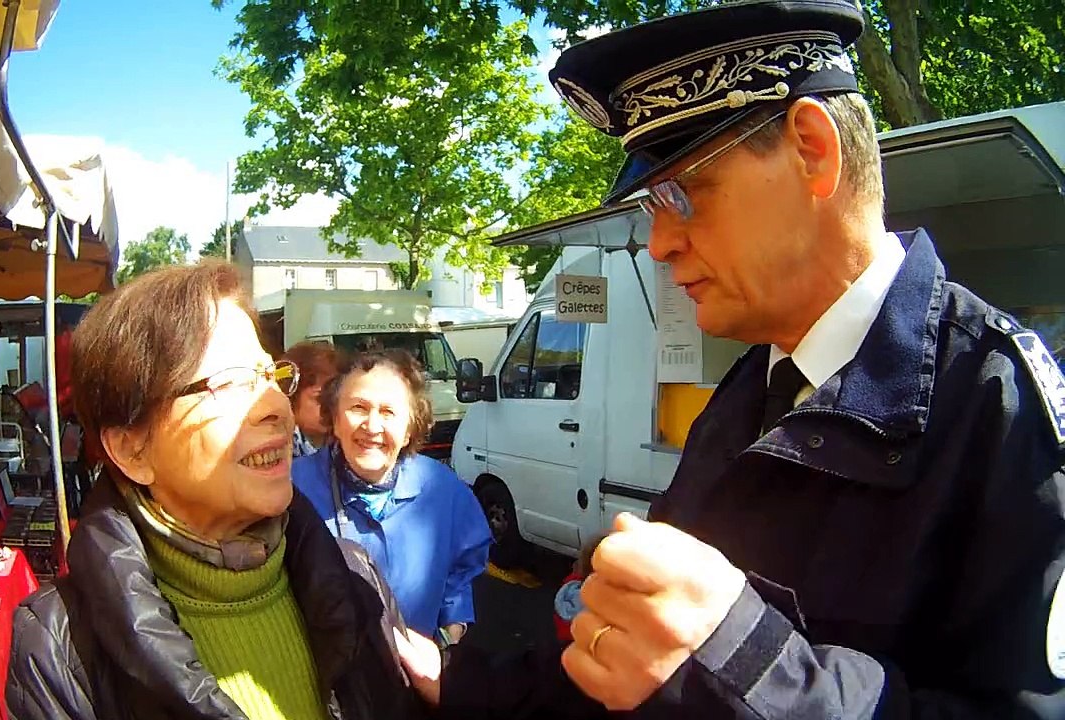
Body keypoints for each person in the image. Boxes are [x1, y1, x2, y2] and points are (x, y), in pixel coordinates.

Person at [393, 1, 1065, 717]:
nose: (659, 244)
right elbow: (642, 660)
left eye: (683, 193)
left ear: (812, 148)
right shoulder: (752, 386)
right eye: (653, 207)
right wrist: (468, 686)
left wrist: (740, 654)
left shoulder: (1003, 409)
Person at [7, 260, 428, 720]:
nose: (274, 407)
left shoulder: (354, 576)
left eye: (271, 376)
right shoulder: (60, 645)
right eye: (229, 383)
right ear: (132, 450)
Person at [292, 349, 492, 645]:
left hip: (417, 677)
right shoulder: (294, 489)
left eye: (388, 412)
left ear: (410, 429)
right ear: (334, 419)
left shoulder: (442, 489)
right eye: (358, 407)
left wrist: (451, 630)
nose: (372, 426)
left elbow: (464, 565)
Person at [282, 341, 341, 457]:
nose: (330, 406)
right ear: (292, 397)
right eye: (319, 398)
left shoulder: (343, 444)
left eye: (334, 397)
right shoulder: (279, 448)